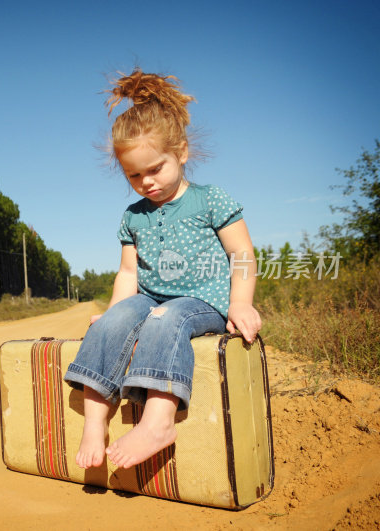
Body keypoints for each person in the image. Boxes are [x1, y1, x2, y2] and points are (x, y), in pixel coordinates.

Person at [63, 69, 262, 470]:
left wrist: (241, 303)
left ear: (182, 152)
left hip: (202, 300)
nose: (147, 182)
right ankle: (96, 422)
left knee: (164, 316)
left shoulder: (211, 200)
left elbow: (242, 252)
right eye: (134, 175)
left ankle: (158, 422)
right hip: (149, 295)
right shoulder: (132, 216)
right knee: (111, 322)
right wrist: (116, 309)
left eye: (155, 169)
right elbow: (127, 273)